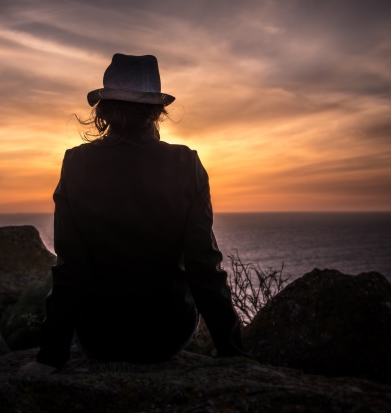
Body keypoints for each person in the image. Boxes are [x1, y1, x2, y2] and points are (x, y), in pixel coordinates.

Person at [20, 53, 245, 375]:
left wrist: (49, 357)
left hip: (99, 337)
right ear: (157, 111)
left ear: (104, 111)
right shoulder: (186, 163)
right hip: (166, 335)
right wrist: (233, 351)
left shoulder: (76, 163)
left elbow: (70, 266)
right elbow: (203, 265)